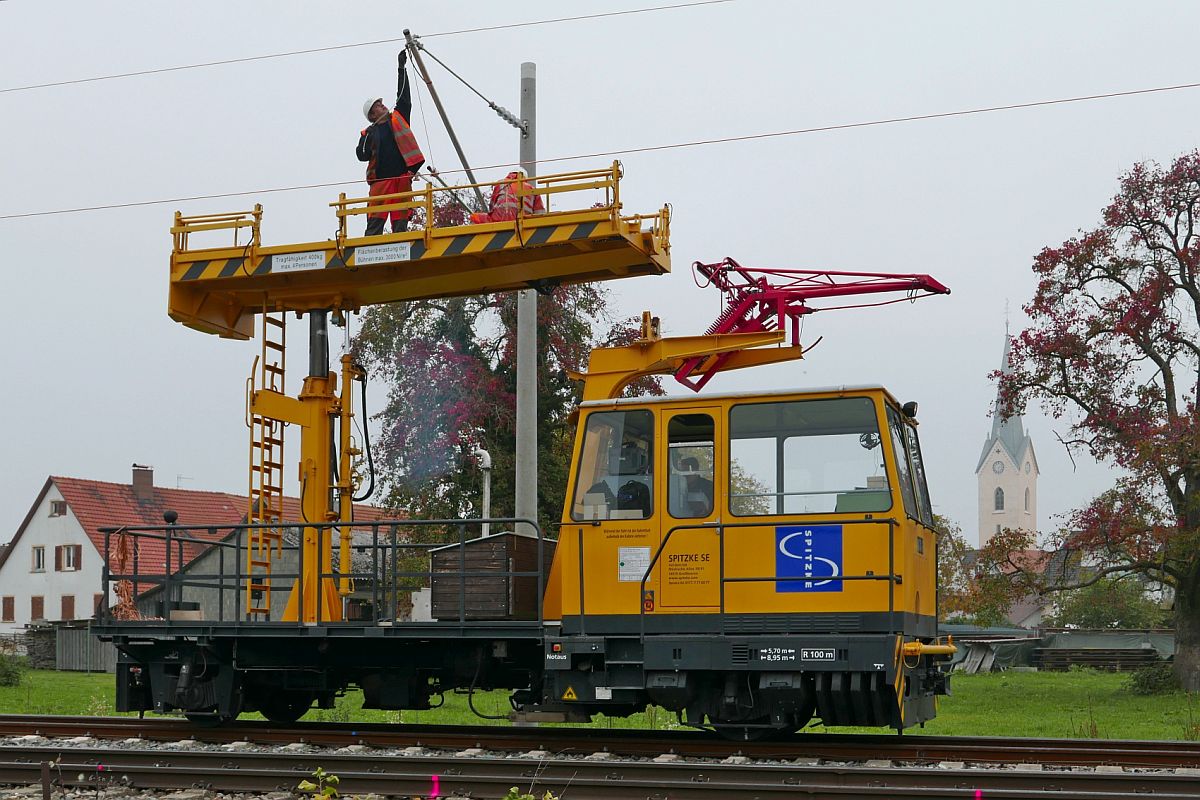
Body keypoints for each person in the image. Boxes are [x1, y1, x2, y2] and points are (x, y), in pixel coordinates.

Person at [357, 50, 425, 236]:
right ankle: (371, 250)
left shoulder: (398, 119)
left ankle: (400, 249)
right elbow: (362, 155)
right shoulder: (369, 133)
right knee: (375, 224)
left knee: (400, 225)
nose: (383, 105)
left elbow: (404, 98)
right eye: (378, 105)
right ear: (372, 115)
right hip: (380, 184)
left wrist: (401, 69)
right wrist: (367, 136)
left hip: (401, 180)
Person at [469, 171, 545, 224]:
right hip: (524, 222)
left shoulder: (501, 183)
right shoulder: (531, 188)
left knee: (474, 217)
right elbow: (540, 213)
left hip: (498, 219)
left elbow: (492, 206)